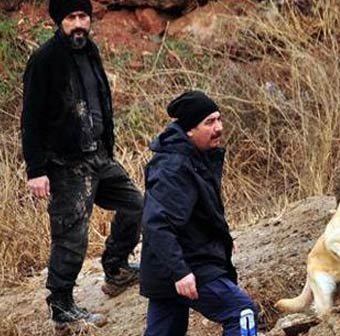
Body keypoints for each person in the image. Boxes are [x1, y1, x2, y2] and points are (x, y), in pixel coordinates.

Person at [20, 0, 142, 328]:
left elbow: (99, 101)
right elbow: (30, 118)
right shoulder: (45, 59)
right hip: (65, 163)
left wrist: (108, 147)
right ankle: (62, 308)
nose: (78, 24)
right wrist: (36, 170)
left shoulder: (90, 50)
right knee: (71, 236)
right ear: (60, 21)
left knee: (137, 205)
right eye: (71, 18)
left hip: (99, 156)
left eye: (82, 17)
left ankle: (116, 269)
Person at [140, 91, 258, 336]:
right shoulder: (174, 168)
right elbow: (157, 224)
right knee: (241, 311)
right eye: (209, 122)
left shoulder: (194, 156)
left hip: (172, 265)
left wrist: (222, 238)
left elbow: (197, 212)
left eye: (218, 119)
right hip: (184, 265)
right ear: (189, 131)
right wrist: (180, 272)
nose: (219, 128)